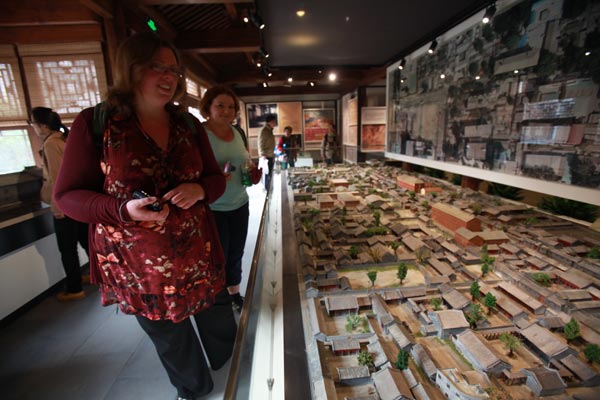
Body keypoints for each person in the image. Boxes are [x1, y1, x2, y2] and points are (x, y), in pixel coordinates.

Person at [53, 32, 235, 400]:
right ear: (131, 69)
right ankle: (196, 391)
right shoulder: (96, 122)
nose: (170, 77)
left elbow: (215, 179)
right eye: (158, 67)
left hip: (197, 253)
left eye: (174, 70)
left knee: (218, 319)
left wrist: (199, 190)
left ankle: (234, 369)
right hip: (138, 264)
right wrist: (121, 210)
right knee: (170, 337)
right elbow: (67, 196)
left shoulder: (188, 124)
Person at [200, 85, 259, 312]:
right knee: (219, 256)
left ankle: (234, 293)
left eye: (231, 106)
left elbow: (245, 158)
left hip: (240, 202)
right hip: (213, 207)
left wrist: (251, 170)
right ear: (208, 107)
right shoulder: (200, 134)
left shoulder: (238, 132)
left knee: (236, 251)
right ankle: (219, 297)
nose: (226, 111)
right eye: (220, 105)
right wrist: (213, 176)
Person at [31, 107, 89, 302]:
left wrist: (57, 207)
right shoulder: (64, 139)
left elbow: (57, 179)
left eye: (33, 123)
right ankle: (100, 276)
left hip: (64, 205)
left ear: (43, 126)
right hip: (77, 201)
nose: (32, 127)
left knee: (67, 248)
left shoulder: (51, 144)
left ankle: (74, 288)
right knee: (85, 241)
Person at [258, 114, 276, 190]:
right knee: (267, 173)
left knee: (270, 172)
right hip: (266, 156)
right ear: (270, 122)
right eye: (274, 121)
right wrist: (263, 154)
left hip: (270, 154)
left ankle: (269, 187)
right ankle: (267, 189)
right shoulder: (264, 130)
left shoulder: (269, 130)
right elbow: (260, 143)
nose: (275, 123)